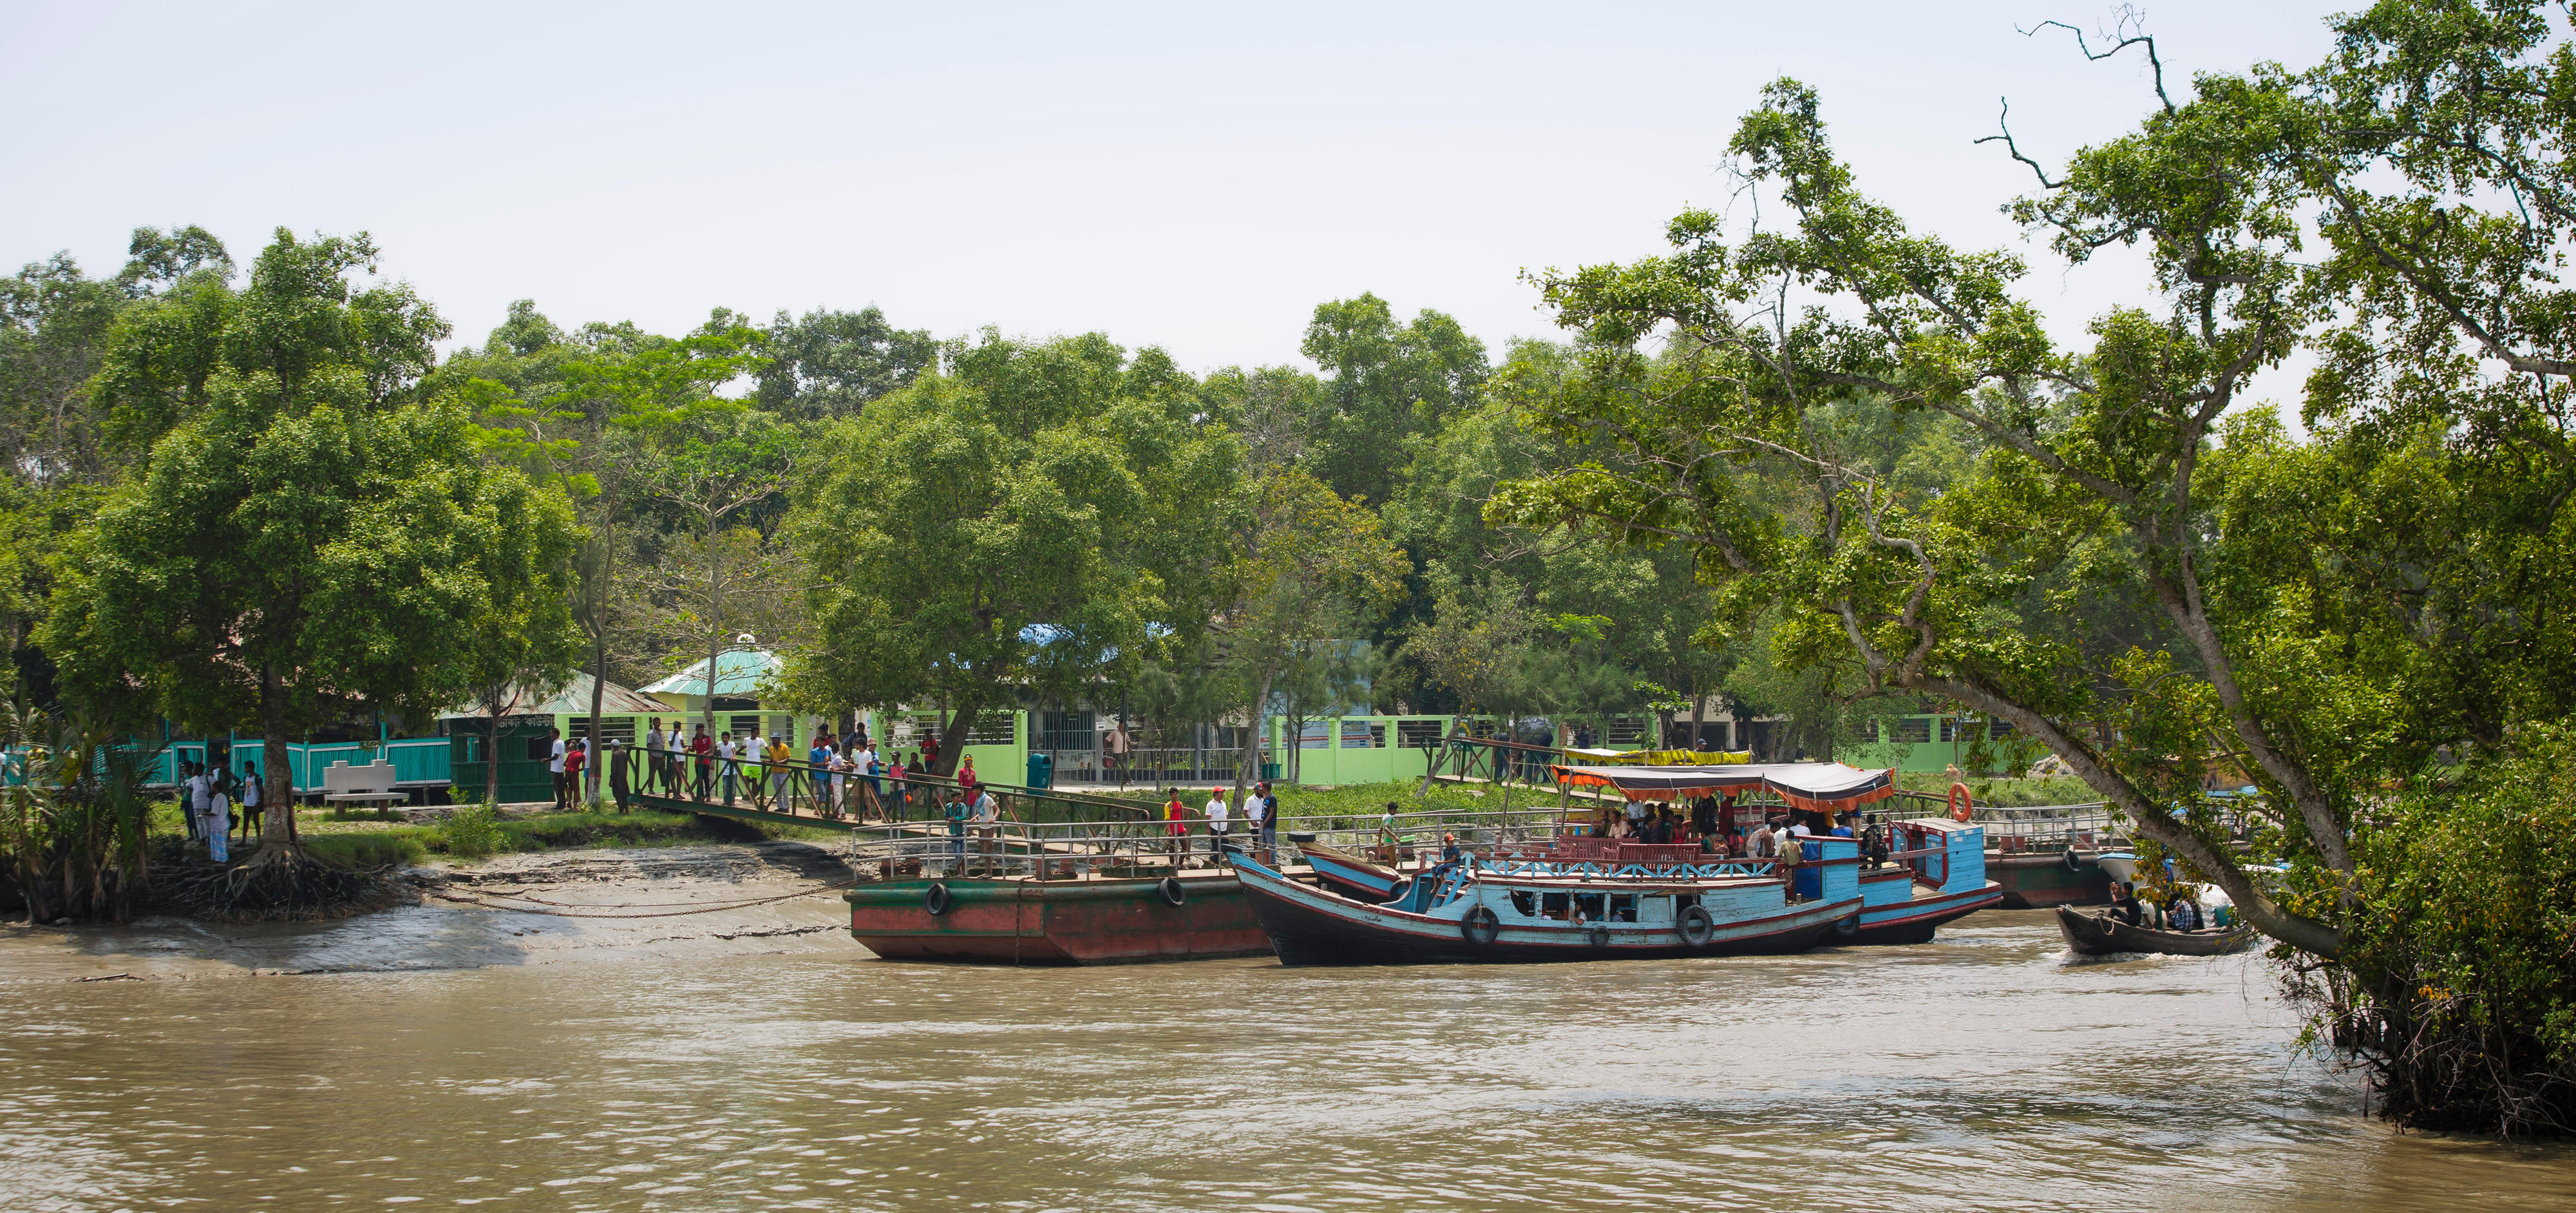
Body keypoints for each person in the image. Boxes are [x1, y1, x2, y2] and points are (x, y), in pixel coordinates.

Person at [1204, 788, 1231, 863]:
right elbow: (1207, 817)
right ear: (1216, 794)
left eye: (1223, 793)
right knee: (1216, 845)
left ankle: (1225, 859)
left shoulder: (1224, 803)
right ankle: (1216, 860)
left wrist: (1227, 825)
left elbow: (1226, 815)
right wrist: (1208, 828)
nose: (1223, 795)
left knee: (1226, 844)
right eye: (1221, 793)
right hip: (1215, 827)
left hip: (1224, 827)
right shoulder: (1211, 804)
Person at [239, 760, 263, 839]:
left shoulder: (257, 778)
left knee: (256, 821)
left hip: (254, 803)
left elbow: (261, 791)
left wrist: (259, 802)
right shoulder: (245, 778)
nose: (245, 769)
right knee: (245, 822)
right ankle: (244, 840)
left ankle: (259, 838)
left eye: (246, 767)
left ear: (251, 768)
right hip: (247, 803)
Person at [943, 790, 969, 864]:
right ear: (953, 798)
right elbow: (946, 816)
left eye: (960, 798)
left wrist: (952, 819)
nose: (959, 799)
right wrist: (950, 819)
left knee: (959, 852)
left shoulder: (962, 806)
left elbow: (963, 817)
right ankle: (961, 868)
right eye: (958, 797)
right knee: (956, 851)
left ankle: (959, 868)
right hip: (952, 832)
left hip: (960, 832)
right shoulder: (948, 806)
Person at [810, 732, 835, 808]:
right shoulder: (814, 751)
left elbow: (829, 759)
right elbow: (813, 763)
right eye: (817, 741)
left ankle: (817, 809)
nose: (817, 743)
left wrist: (828, 763)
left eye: (819, 741)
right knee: (823, 792)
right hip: (819, 774)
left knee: (823, 793)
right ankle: (828, 810)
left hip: (826, 774)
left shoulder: (827, 751)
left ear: (823, 742)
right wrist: (822, 764)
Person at [609, 738, 634, 812]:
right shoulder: (624, 753)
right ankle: (627, 810)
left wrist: (611, 780)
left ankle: (621, 811)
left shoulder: (615, 755)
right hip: (623, 777)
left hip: (617, 778)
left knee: (618, 795)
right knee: (624, 794)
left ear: (613, 746)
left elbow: (614, 769)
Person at [690, 725, 714, 801]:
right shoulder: (694, 739)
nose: (701, 731)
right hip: (697, 761)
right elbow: (693, 749)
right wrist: (687, 748)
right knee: (699, 779)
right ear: (696, 730)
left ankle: (708, 795)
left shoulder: (707, 738)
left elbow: (710, 749)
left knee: (706, 778)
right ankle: (701, 796)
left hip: (705, 761)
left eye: (703, 730)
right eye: (700, 730)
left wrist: (704, 753)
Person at [564, 739, 589, 808]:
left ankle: (569, 802)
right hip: (574, 772)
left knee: (570, 787)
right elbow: (584, 768)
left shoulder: (571, 753)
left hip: (567, 771)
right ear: (584, 748)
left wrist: (570, 766)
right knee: (576, 789)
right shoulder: (582, 756)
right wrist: (578, 769)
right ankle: (575, 807)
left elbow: (564, 764)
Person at [1165, 791, 1189, 863]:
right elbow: (1167, 818)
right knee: (1172, 847)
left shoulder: (1180, 804)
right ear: (1170, 795)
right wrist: (1169, 830)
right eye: (1174, 794)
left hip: (1180, 827)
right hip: (1172, 827)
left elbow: (1181, 816)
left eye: (1176, 794)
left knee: (1185, 845)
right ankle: (1172, 863)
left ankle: (1181, 862)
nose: (1176, 796)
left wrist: (1183, 826)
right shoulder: (1168, 805)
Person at [547, 728, 568, 810]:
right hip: (556, 768)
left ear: (556, 734)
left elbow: (556, 756)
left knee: (559, 787)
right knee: (558, 787)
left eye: (551, 733)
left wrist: (547, 760)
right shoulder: (557, 742)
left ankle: (561, 804)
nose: (550, 735)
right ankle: (561, 803)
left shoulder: (558, 743)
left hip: (558, 769)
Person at [716, 732, 739, 805]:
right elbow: (715, 746)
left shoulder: (731, 743)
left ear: (729, 738)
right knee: (725, 786)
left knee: (733, 786)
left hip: (733, 770)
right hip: (725, 769)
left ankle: (732, 801)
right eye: (723, 738)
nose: (725, 739)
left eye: (726, 738)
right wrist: (713, 753)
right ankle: (726, 800)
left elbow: (733, 749)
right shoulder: (720, 744)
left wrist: (734, 756)